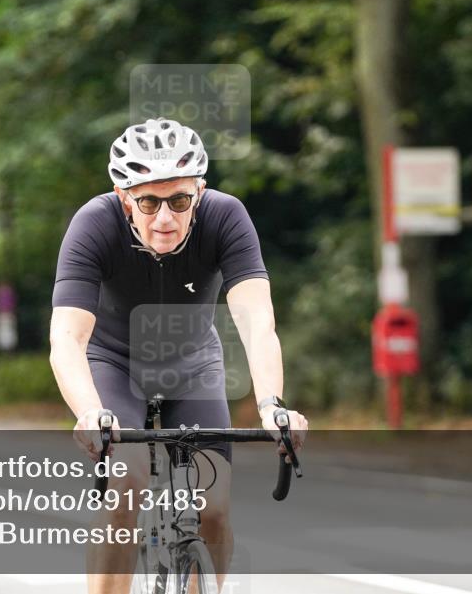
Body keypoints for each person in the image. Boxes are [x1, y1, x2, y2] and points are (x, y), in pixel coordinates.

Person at [50, 117, 308, 593]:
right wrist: (89, 412)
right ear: (125, 196)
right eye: (148, 201)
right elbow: (67, 337)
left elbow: (256, 321)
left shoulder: (227, 217)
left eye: (179, 200)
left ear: (200, 193)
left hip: (193, 367)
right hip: (114, 366)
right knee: (124, 488)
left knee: (214, 508)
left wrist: (272, 404)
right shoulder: (93, 224)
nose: (164, 218)